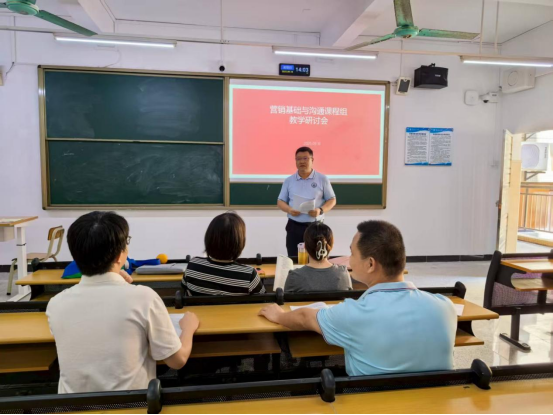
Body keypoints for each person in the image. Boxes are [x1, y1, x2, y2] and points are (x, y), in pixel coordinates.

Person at [259, 220, 457, 377]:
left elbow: (305, 317)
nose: (348, 259)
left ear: (370, 264)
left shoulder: (353, 314)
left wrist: (279, 315)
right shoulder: (445, 307)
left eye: (352, 253)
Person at [46, 212, 199, 394]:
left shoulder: (56, 304)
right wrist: (188, 328)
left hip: (72, 406)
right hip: (132, 405)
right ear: (120, 255)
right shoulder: (144, 298)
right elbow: (177, 361)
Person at [182, 212, 266, 296]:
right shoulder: (249, 275)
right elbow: (263, 299)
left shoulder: (193, 266)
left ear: (209, 237)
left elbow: (184, 288)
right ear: (239, 242)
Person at [277, 147, 337, 257]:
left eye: (305, 158)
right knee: (294, 258)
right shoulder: (289, 181)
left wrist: (320, 210)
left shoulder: (322, 179)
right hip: (294, 226)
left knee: (317, 258)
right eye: (298, 159)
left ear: (312, 160)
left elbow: (332, 200)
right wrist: (289, 210)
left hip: (316, 227)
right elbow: (280, 201)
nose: (302, 161)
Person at [285, 223, 352, 293]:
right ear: (331, 246)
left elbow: (285, 298)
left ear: (305, 247)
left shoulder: (294, 276)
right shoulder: (343, 273)